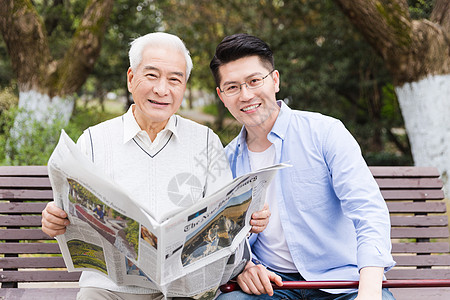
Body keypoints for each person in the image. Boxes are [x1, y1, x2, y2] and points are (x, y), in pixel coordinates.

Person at [41, 32, 270, 300]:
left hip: (183, 290)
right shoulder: (94, 139)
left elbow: (223, 218)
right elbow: (67, 212)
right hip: (111, 289)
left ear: (184, 87)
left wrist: (246, 216)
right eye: (151, 75)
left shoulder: (205, 140)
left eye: (174, 79)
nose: (162, 90)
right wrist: (54, 218)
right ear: (130, 79)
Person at [210, 33, 396, 300]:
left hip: (342, 281)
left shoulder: (325, 132)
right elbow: (223, 238)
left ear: (275, 80)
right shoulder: (226, 161)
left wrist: (369, 291)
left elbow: (368, 211)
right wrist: (243, 267)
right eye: (232, 87)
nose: (246, 95)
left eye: (254, 81)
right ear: (222, 96)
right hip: (272, 284)